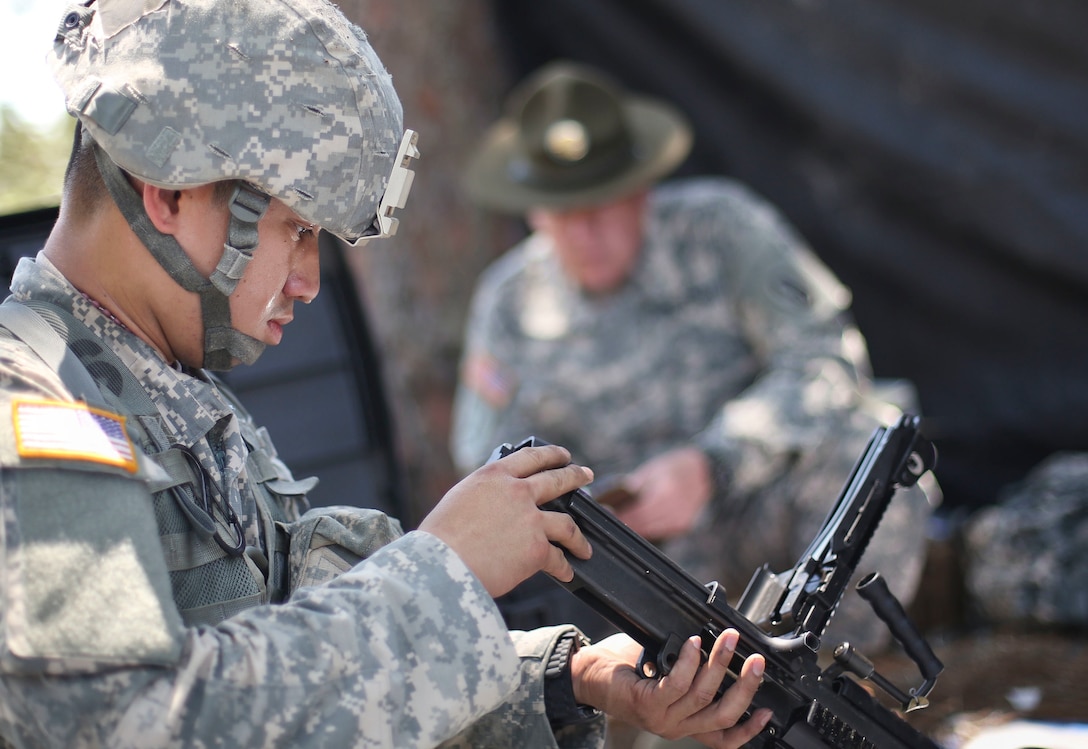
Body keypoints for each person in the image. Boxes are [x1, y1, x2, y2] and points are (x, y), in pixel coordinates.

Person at [0, 4, 772, 748]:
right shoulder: (30, 400)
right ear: (170, 191)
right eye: (296, 230)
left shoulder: (177, 398)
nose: (307, 279)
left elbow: (295, 661)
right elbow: (120, 725)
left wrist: (568, 677)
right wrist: (443, 567)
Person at [452, 61, 936, 652]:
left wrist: (716, 464)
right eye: (562, 212)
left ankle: (820, 691)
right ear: (532, 211)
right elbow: (488, 468)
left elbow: (826, 363)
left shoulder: (723, 230)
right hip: (621, 564)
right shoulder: (508, 303)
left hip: (749, 508)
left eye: (600, 205)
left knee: (869, 452)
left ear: (640, 188)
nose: (584, 233)